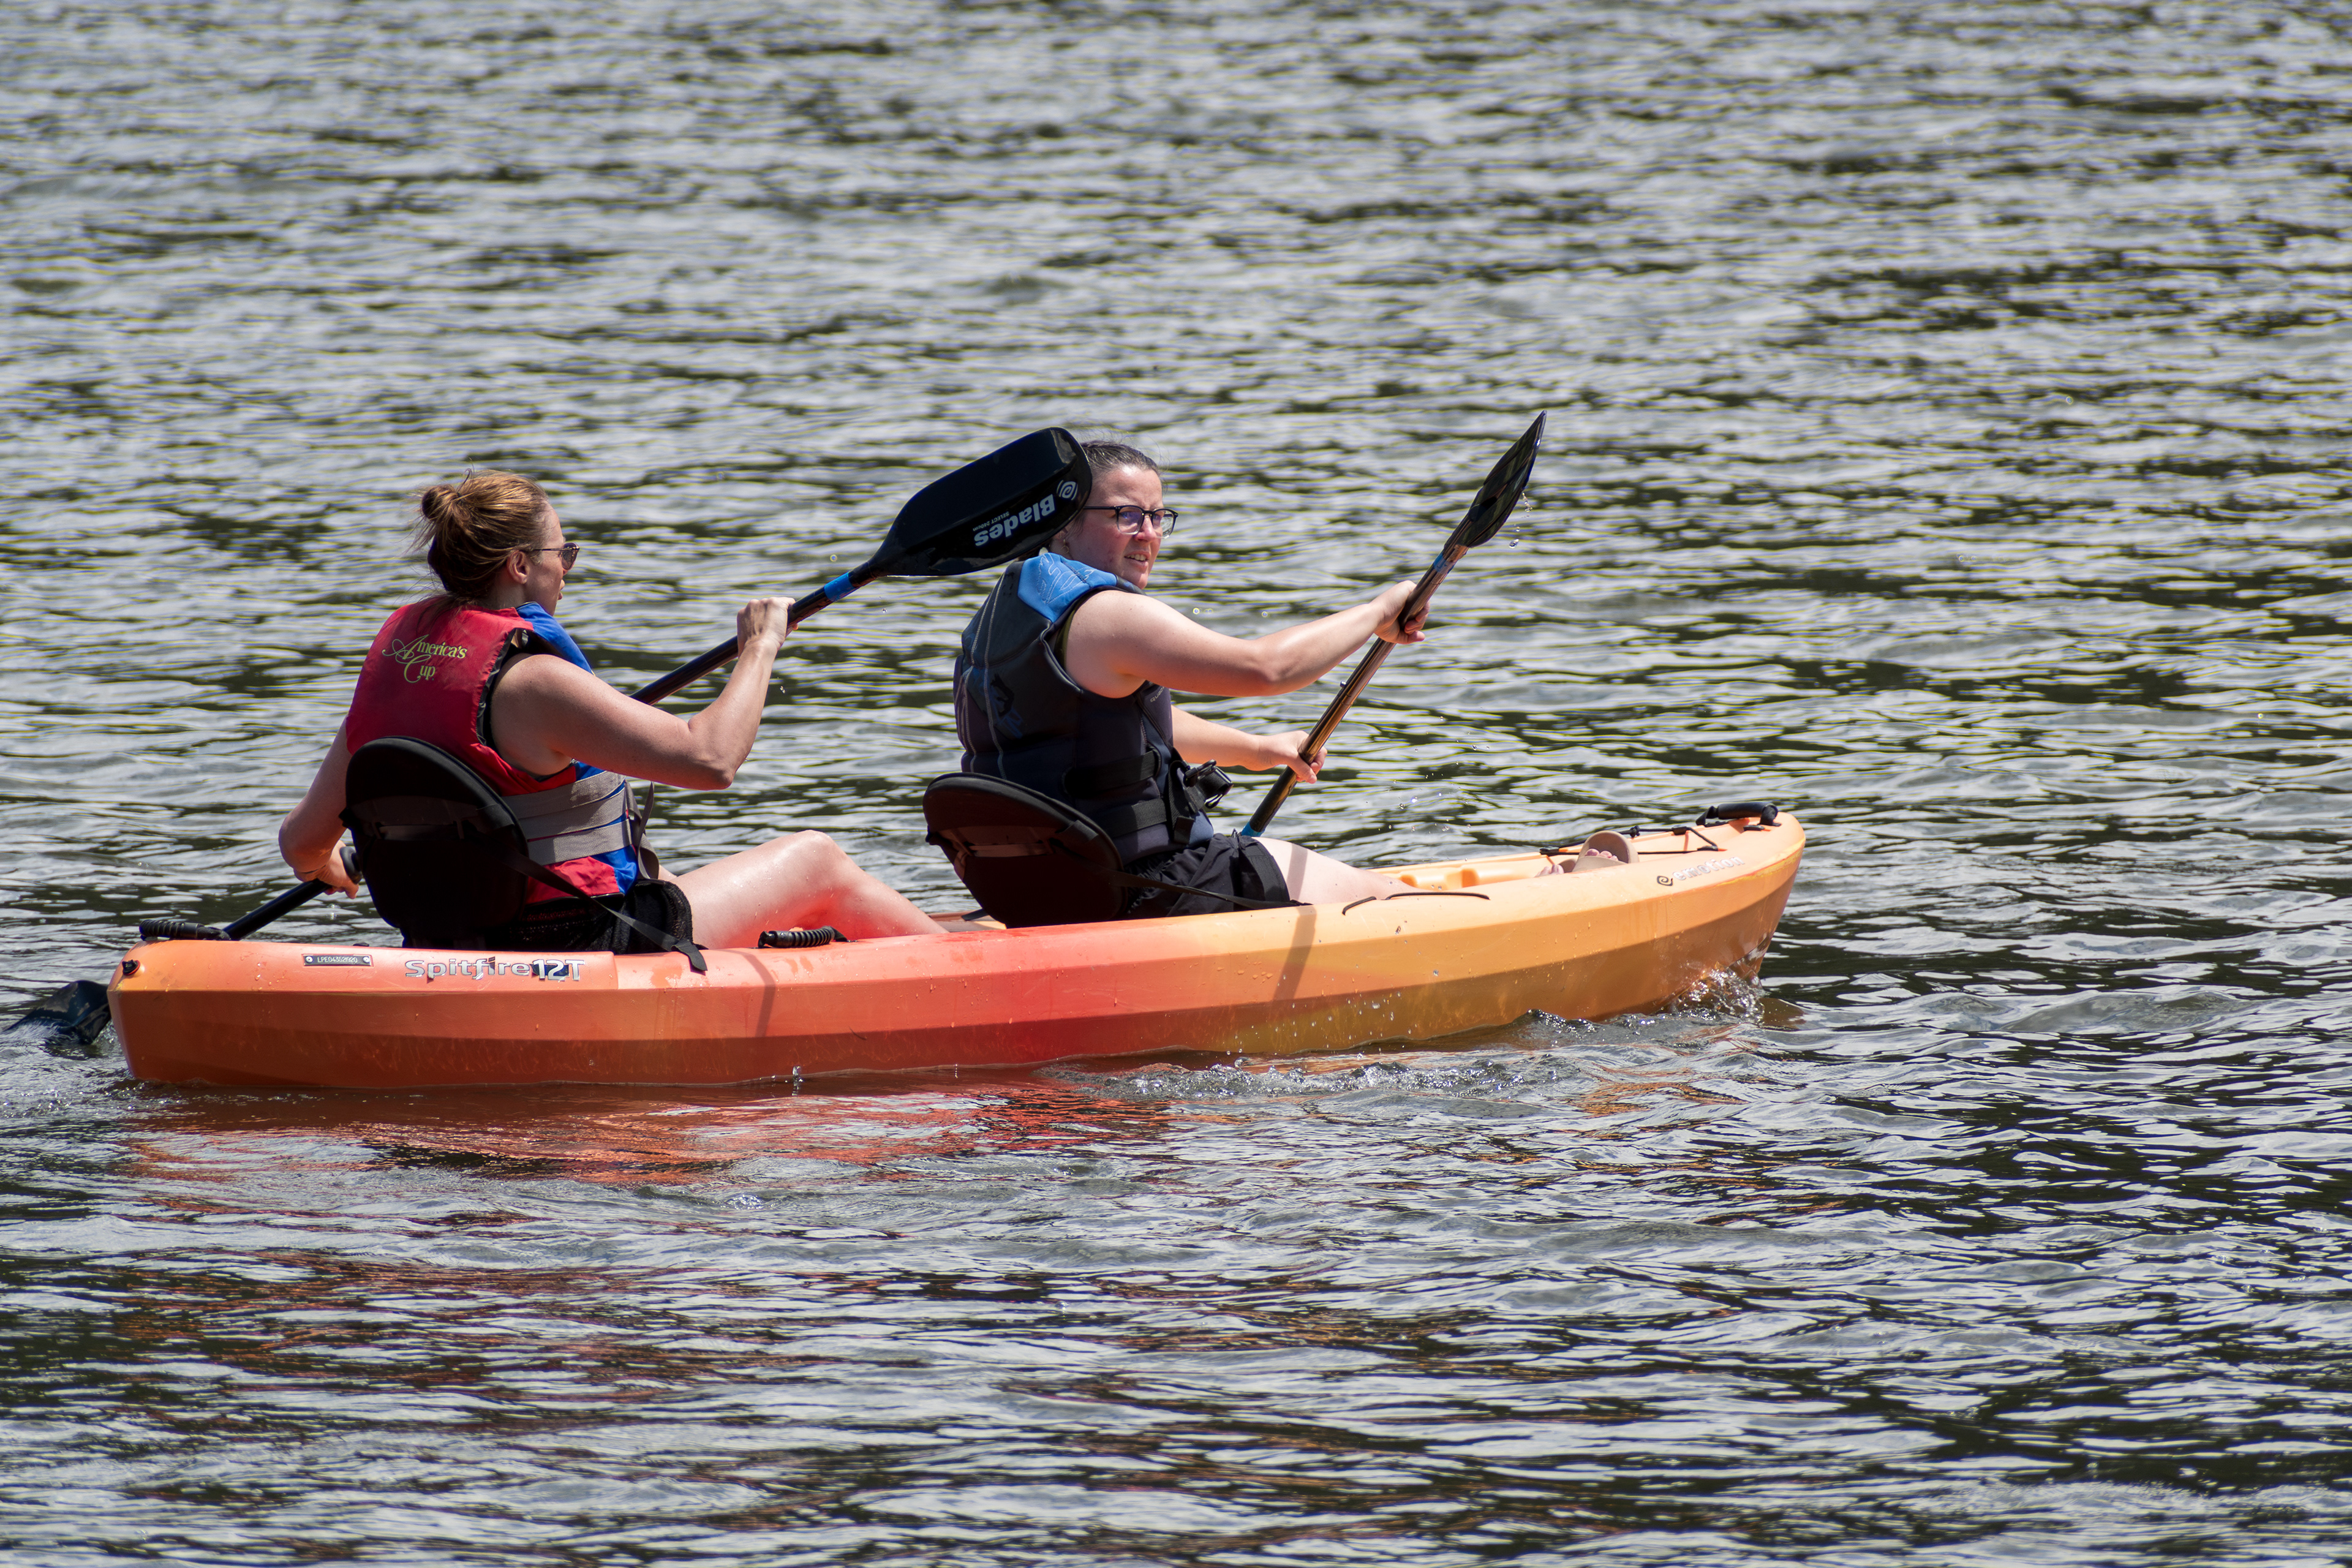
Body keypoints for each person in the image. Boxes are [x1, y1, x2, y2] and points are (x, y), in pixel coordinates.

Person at [279, 470, 945, 949]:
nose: (567, 569)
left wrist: (332, 864)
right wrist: (761, 648)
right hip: (574, 943)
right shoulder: (534, 682)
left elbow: (301, 844)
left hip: (446, 942)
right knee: (816, 860)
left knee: (675, 877)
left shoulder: (396, 678)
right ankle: (974, 967)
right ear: (518, 564)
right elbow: (710, 759)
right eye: (560, 553)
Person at [953, 440, 1425, 918]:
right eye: (1126, 515)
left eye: (1158, 517)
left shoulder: (1009, 612)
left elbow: (1112, 729)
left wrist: (1256, 750)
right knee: (1392, 901)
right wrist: (1379, 612)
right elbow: (1268, 668)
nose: (1148, 535)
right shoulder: (1108, 614)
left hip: (1046, 891)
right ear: (1065, 524)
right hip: (1148, 885)